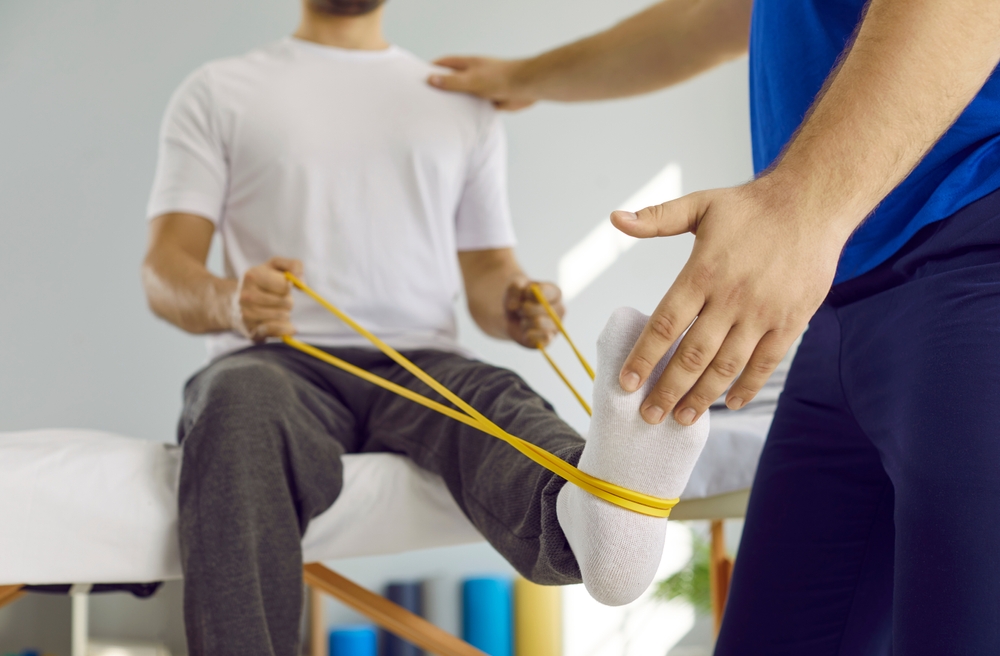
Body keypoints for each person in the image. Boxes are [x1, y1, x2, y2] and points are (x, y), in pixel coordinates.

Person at [428, 0, 1000, 652]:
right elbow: (710, 20)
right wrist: (524, 77)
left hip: (973, 264)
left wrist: (799, 205)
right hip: (844, 303)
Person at [141, 1, 709, 653]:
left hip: (421, 361)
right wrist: (228, 302)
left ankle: (594, 520)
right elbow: (164, 269)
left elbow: (490, 274)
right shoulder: (218, 91)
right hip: (276, 359)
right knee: (237, 407)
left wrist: (520, 303)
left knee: (496, 401)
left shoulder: (461, 102)